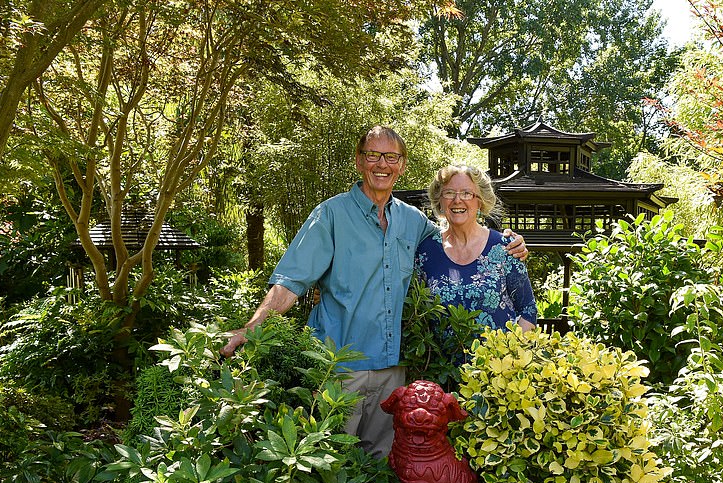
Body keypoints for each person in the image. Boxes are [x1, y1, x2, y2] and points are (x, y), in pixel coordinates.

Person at [221, 126, 527, 458]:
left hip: (392, 372)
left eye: (391, 157)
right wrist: (253, 326)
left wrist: (510, 241)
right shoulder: (331, 215)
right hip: (338, 367)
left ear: (402, 165)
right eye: (373, 155)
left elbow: (457, 236)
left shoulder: (413, 222)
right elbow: (291, 280)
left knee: (382, 469)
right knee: (328, 463)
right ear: (359, 161)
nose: (382, 164)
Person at [417, 164, 537, 342]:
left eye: (466, 193)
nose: (457, 200)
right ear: (440, 201)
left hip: (496, 366)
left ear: (480, 201)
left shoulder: (505, 248)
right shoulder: (425, 251)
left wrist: (506, 359)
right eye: (449, 193)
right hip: (440, 368)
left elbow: (528, 312)